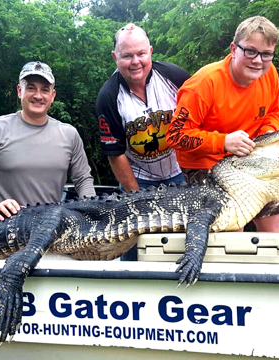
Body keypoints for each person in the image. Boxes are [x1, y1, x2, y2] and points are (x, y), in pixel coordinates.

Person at [166, 16, 279, 233]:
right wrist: (223, 142)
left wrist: (269, 133)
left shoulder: (270, 75)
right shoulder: (204, 83)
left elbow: (274, 113)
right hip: (205, 165)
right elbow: (175, 135)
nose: (258, 60)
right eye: (250, 51)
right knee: (234, 230)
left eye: (266, 54)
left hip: (247, 161)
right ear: (234, 49)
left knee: (275, 227)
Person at [96, 23, 190, 260]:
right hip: (138, 178)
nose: (135, 61)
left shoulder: (175, 77)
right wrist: (137, 198)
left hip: (180, 172)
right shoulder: (108, 96)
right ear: (115, 57)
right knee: (134, 246)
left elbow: (201, 123)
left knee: (184, 243)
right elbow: (115, 153)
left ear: (151, 51)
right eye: (127, 56)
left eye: (141, 54)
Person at [0, 61, 96, 224]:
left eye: (45, 90)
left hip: (47, 232)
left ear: (53, 96)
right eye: (31, 88)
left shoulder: (69, 134)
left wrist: (92, 211)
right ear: (19, 91)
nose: (38, 95)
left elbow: (83, 179)